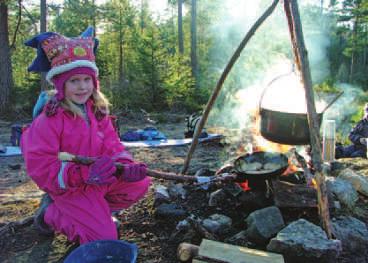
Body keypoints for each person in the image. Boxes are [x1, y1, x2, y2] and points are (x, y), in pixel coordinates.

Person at [21, 27, 151, 244]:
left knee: (139, 183)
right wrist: (81, 175)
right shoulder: (50, 119)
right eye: (74, 81)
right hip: (72, 186)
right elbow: (41, 166)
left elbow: (112, 145)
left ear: (94, 81)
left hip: (97, 180)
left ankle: (94, 213)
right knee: (104, 239)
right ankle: (51, 213)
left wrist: (124, 165)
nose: (82, 87)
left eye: (86, 80)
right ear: (61, 85)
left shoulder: (97, 111)